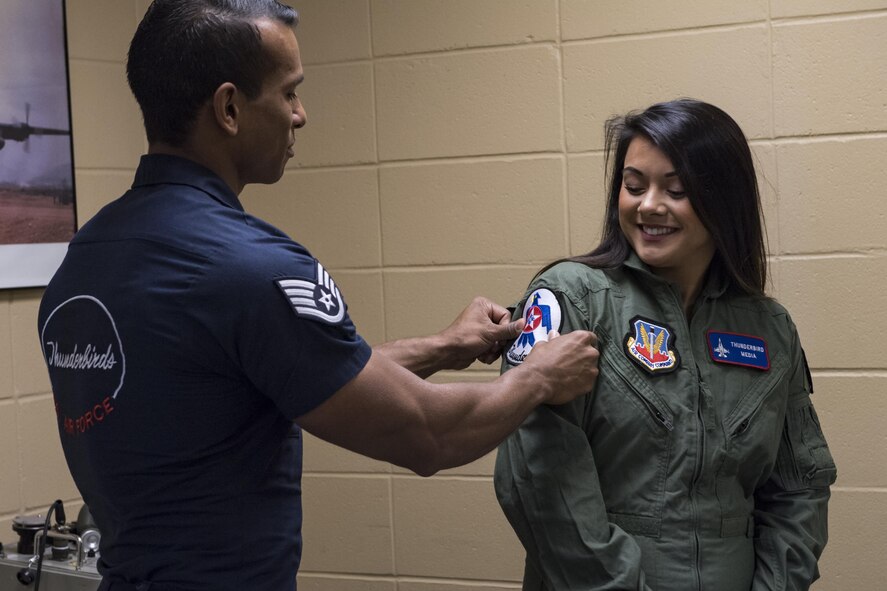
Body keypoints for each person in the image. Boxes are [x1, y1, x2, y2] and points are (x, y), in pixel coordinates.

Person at [36, 2, 600, 590]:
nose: (300, 115)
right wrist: (538, 377)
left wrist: (443, 346)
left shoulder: (85, 259)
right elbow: (430, 436)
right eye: (289, 94)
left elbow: (269, 380)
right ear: (229, 108)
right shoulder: (249, 268)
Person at [494, 99, 836, 591]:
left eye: (675, 190)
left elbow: (800, 487)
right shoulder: (573, 298)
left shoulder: (768, 326)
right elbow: (541, 482)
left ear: (724, 201)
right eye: (634, 186)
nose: (649, 205)